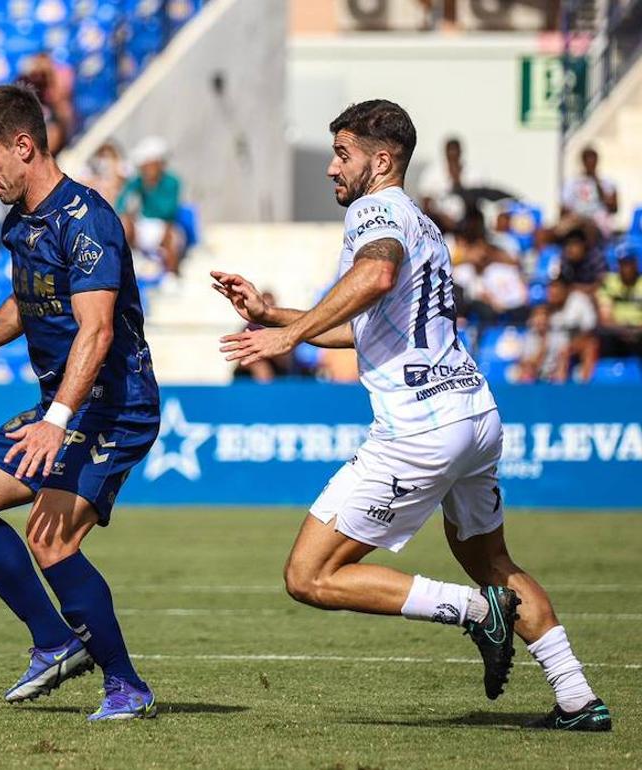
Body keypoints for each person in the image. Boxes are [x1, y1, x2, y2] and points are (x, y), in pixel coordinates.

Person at [213, 99, 611, 731]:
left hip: (421, 426)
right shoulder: (422, 222)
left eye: (341, 155)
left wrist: (288, 339)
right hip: (473, 415)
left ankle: (479, 613)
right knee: (494, 564)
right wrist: (273, 316)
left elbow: (372, 276)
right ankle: (578, 698)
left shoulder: (377, 209)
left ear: (382, 159)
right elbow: (368, 332)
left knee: (309, 575)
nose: (331, 169)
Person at [0, 84, 161, 721]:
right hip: (64, 405)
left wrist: (56, 422)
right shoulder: (23, 223)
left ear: (24, 146)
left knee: (50, 542)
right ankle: (53, 642)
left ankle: (125, 686)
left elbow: (97, 329)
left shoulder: (88, 220)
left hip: (114, 409)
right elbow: (28, 303)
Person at [115, 136, 185, 278]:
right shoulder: (138, 181)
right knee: (124, 223)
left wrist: (149, 188)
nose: (145, 168)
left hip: (163, 227)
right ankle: (127, 264)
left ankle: (171, 276)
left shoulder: (172, 182)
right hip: (142, 226)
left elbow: (168, 211)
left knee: (170, 234)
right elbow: (121, 204)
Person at [562, 147, 618, 237]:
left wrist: (596, 183)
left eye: (592, 161)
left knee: (589, 229)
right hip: (576, 219)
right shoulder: (572, 183)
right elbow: (564, 208)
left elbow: (614, 208)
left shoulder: (607, 183)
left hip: (598, 221)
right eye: (587, 160)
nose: (590, 164)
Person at [597, 252, 642, 361]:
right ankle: (609, 374)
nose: (626, 269)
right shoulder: (609, 282)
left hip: (639, 331)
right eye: (623, 264)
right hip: (616, 331)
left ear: (635, 265)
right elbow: (605, 317)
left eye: (629, 264)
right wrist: (623, 331)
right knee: (603, 336)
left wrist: (635, 332)